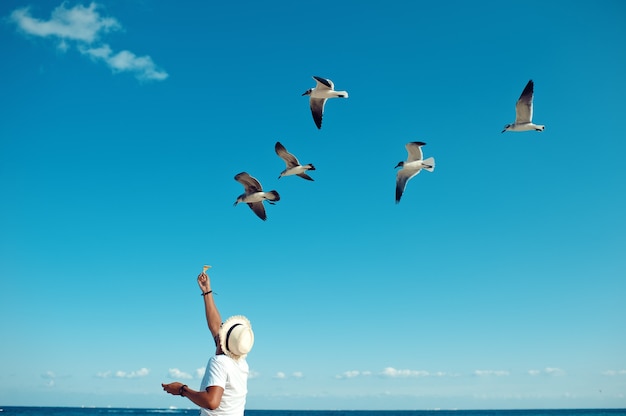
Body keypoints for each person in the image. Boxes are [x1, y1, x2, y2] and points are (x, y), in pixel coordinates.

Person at [162, 269, 254, 416]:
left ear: (221, 341)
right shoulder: (241, 364)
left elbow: (212, 402)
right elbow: (216, 326)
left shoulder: (219, 362)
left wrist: (182, 390)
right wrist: (207, 291)